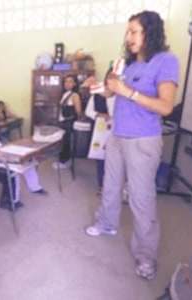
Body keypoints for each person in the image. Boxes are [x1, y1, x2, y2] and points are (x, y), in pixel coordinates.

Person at [85, 11, 179, 280]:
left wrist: (130, 92)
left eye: (134, 32)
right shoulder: (127, 64)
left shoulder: (166, 61)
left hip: (143, 141)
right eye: (128, 32)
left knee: (141, 199)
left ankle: (146, 255)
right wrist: (97, 87)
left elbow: (166, 106)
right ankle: (107, 224)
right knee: (111, 187)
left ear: (151, 33)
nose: (129, 37)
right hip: (117, 135)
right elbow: (110, 91)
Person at [0, 118, 46, 199]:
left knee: (29, 163)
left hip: (3, 157)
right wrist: (3, 156)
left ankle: (35, 187)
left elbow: (0, 147)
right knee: (15, 172)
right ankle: (15, 200)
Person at [85, 69, 116, 192]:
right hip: (101, 131)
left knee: (116, 160)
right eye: (110, 77)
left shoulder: (123, 94)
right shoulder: (97, 94)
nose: (112, 80)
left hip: (118, 131)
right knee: (101, 158)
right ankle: (102, 186)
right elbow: (88, 111)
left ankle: (117, 187)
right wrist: (99, 114)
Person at [53, 74, 83, 169]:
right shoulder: (64, 94)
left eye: (70, 81)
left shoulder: (75, 95)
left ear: (74, 84)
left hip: (69, 122)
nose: (67, 83)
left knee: (67, 142)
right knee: (62, 141)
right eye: (66, 81)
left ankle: (64, 162)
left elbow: (78, 111)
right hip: (62, 121)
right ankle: (63, 160)